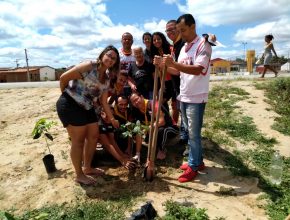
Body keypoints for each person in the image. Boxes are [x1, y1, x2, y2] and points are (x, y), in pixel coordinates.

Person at [159, 14, 213, 183]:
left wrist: (173, 64)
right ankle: (198, 161)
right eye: (178, 31)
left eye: (182, 30)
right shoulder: (184, 48)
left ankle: (193, 166)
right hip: (184, 95)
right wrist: (165, 66)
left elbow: (198, 69)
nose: (181, 33)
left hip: (197, 97)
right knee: (190, 132)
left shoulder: (203, 44)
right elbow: (179, 71)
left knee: (194, 134)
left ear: (192, 26)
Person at [56, 45, 120, 186]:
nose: (110, 59)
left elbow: (103, 102)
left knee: (93, 136)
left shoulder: (107, 78)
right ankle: (79, 175)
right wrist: (67, 96)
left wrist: (112, 119)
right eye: (108, 55)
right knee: (78, 141)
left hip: (87, 107)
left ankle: (88, 167)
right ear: (103, 54)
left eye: (114, 58)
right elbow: (63, 78)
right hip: (70, 104)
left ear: (115, 62)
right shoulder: (89, 65)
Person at [130, 92, 179, 160]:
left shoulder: (153, 104)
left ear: (141, 97)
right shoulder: (136, 110)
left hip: (170, 127)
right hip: (152, 130)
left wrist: (149, 128)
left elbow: (162, 122)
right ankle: (138, 154)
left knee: (161, 130)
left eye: (136, 99)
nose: (136, 102)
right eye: (133, 102)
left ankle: (161, 149)